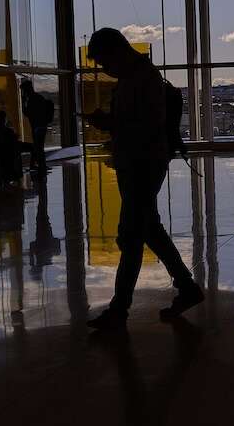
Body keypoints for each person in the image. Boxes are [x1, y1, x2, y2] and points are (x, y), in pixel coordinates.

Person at [83, 27, 204, 330]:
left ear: (116, 51)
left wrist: (111, 124)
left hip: (141, 165)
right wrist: (113, 124)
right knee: (149, 229)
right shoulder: (138, 77)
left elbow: (145, 125)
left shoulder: (141, 79)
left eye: (102, 60)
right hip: (139, 163)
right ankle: (187, 288)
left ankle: (119, 309)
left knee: (131, 235)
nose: (103, 67)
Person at [21, 79, 54, 173]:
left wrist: (23, 103)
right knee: (39, 146)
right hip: (42, 126)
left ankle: (39, 165)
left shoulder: (32, 100)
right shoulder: (39, 97)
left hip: (36, 127)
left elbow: (27, 113)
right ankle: (38, 164)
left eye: (24, 90)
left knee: (38, 146)